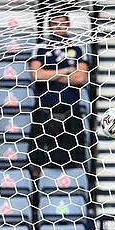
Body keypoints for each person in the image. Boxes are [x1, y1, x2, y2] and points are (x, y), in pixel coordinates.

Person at [28, 13, 90, 180]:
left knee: (76, 156)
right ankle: (36, 194)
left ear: (68, 24)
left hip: (70, 108)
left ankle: (77, 187)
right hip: (45, 108)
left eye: (62, 23)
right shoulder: (40, 47)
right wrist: (66, 71)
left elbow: (81, 78)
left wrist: (51, 74)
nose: (59, 27)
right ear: (49, 25)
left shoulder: (77, 47)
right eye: (55, 23)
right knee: (38, 159)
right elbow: (36, 75)